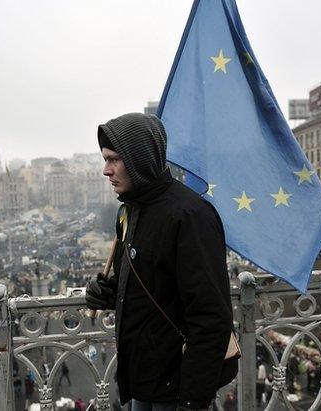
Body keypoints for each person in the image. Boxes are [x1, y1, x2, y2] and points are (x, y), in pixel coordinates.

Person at [85, 113, 238, 410]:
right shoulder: (129, 211)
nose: (106, 170)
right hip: (142, 377)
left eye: (114, 159)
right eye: (105, 159)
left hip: (177, 385)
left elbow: (210, 315)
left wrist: (193, 400)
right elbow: (142, 279)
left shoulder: (189, 215)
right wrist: (107, 291)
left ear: (139, 158)